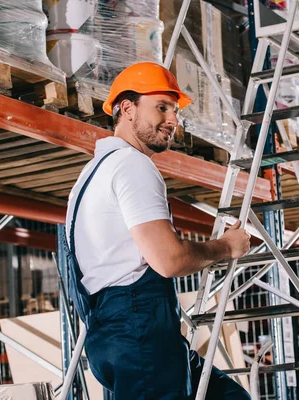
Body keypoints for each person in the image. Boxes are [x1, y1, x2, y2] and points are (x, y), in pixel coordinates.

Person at [64, 62, 251, 400]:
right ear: (127, 109)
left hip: (116, 335)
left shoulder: (92, 173)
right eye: (161, 107)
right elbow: (169, 260)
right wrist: (226, 245)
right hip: (139, 334)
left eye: (175, 111)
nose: (173, 120)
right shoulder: (133, 165)